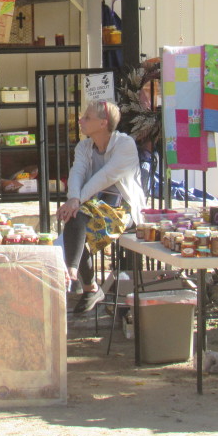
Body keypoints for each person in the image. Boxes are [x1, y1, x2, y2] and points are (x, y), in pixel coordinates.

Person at [56, 100, 145, 314]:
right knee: (75, 217)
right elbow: (76, 173)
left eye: (87, 117)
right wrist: (74, 198)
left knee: (78, 216)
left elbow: (105, 177)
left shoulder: (125, 145)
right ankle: (82, 279)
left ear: (103, 123)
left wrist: (76, 200)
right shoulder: (84, 146)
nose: (81, 120)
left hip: (121, 209)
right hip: (91, 206)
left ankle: (81, 280)